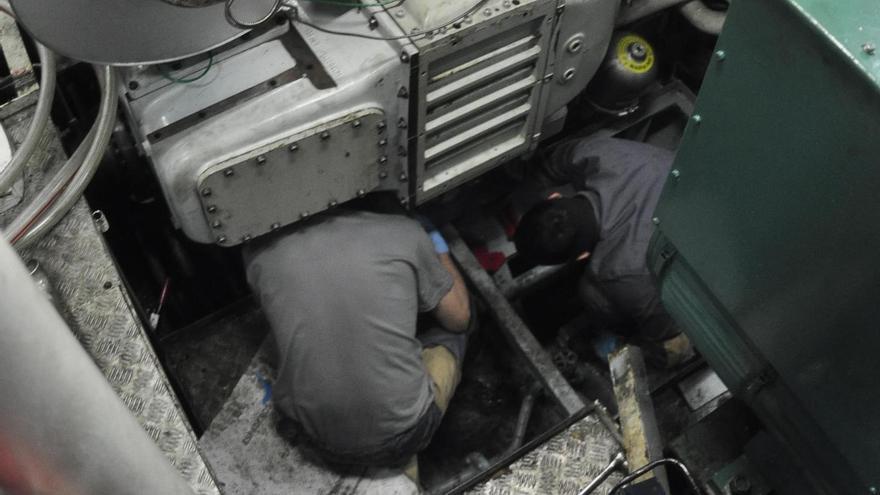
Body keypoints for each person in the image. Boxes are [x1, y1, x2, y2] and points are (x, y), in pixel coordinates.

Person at [243, 195, 472, 479]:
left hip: (312, 433)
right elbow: (459, 318)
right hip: (403, 435)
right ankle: (405, 456)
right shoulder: (403, 232)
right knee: (455, 329)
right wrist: (439, 250)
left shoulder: (258, 253)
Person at [514, 136, 691, 367]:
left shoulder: (625, 274)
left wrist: (647, 352)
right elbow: (546, 165)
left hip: (724, 245)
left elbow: (675, 343)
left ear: (581, 257)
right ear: (555, 196)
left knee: (592, 294)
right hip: (701, 178)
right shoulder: (594, 152)